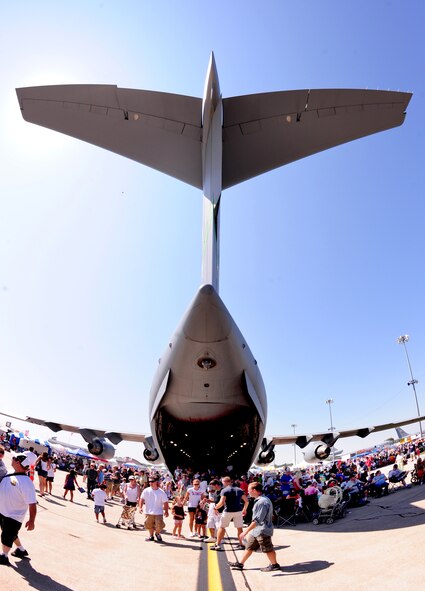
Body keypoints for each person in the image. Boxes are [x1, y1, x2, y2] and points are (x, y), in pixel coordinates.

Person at [228, 482, 280, 572]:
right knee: (249, 546)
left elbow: (257, 520)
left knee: (267, 549)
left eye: (249, 490)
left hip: (262, 530)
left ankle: (274, 565)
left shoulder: (262, 502)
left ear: (255, 490)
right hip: (256, 530)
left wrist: (245, 531)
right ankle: (240, 564)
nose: (247, 492)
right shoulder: (260, 500)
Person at [0, 454, 37, 566]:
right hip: (2, 510)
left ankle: (4, 556)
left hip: (14, 515)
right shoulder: (10, 472)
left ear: (19, 463)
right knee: (11, 533)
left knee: (7, 535)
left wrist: (31, 521)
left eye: (15, 459)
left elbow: (32, 504)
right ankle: (21, 550)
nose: (13, 459)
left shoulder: (27, 482)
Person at [210, 476, 249, 552]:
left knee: (222, 527)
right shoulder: (239, 490)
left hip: (228, 511)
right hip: (238, 511)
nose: (222, 483)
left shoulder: (224, 490)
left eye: (223, 482)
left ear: (226, 482)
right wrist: (244, 509)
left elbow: (221, 503)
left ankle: (218, 544)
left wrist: (215, 508)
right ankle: (241, 544)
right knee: (239, 528)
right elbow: (246, 501)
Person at [139, 476, 169, 542]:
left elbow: (165, 502)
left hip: (158, 512)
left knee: (159, 525)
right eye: (149, 481)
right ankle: (151, 536)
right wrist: (140, 507)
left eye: (152, 481)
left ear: (156, 482)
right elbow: (142, 499)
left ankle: (157, 533)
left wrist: (166, 511)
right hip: (148, 512)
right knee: (149, 525)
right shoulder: (146, 490)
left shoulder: (161, 492)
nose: (150, 483)